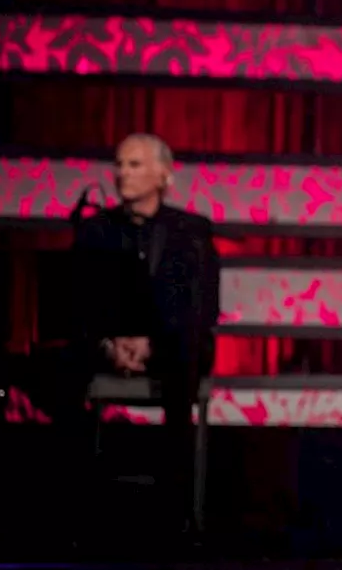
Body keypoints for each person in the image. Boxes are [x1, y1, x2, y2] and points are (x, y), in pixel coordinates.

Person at [72, 132, 220, 540]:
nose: (123, 173)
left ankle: (179, 509)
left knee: (187, 349)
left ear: (164, 176)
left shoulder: (192, 231)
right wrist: (109, 344)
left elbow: (203, 306)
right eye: (119, 164)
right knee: (63, 355)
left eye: (134, 165)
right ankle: (76, 505)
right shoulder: (95, 230)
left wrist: (151, 344)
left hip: (171, 344)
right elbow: (80, 302)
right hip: (110, 342)